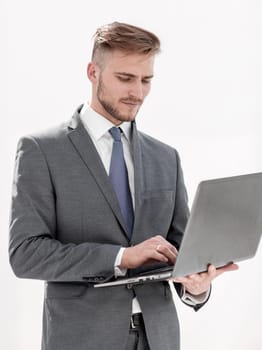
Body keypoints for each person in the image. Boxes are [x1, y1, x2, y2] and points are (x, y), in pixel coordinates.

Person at [9, 22, 238, 350]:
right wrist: (121, 257)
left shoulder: (166, 158)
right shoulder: (41, 150)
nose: (138, 93)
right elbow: (25, 254)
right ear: (93, 72)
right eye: (125, 78)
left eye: (146, 80)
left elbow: (181, 251)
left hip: (158, 338)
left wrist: (196, 285)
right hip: (81, 338)